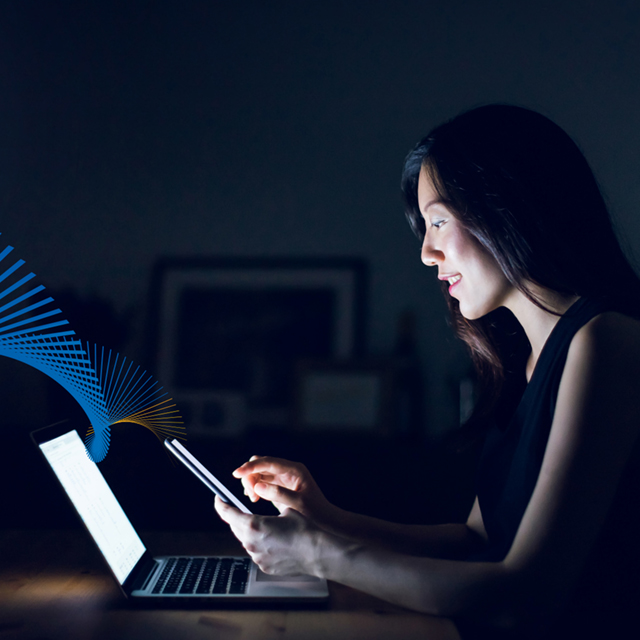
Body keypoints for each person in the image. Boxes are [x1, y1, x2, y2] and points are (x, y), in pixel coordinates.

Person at [215, 105, 640, 638]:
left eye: (439, 221)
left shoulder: (607, 342)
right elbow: (476, 543)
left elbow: (525, 597)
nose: (426, 252)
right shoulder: (523, 356)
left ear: (507, 208)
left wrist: (319, 555)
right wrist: (324, 516)